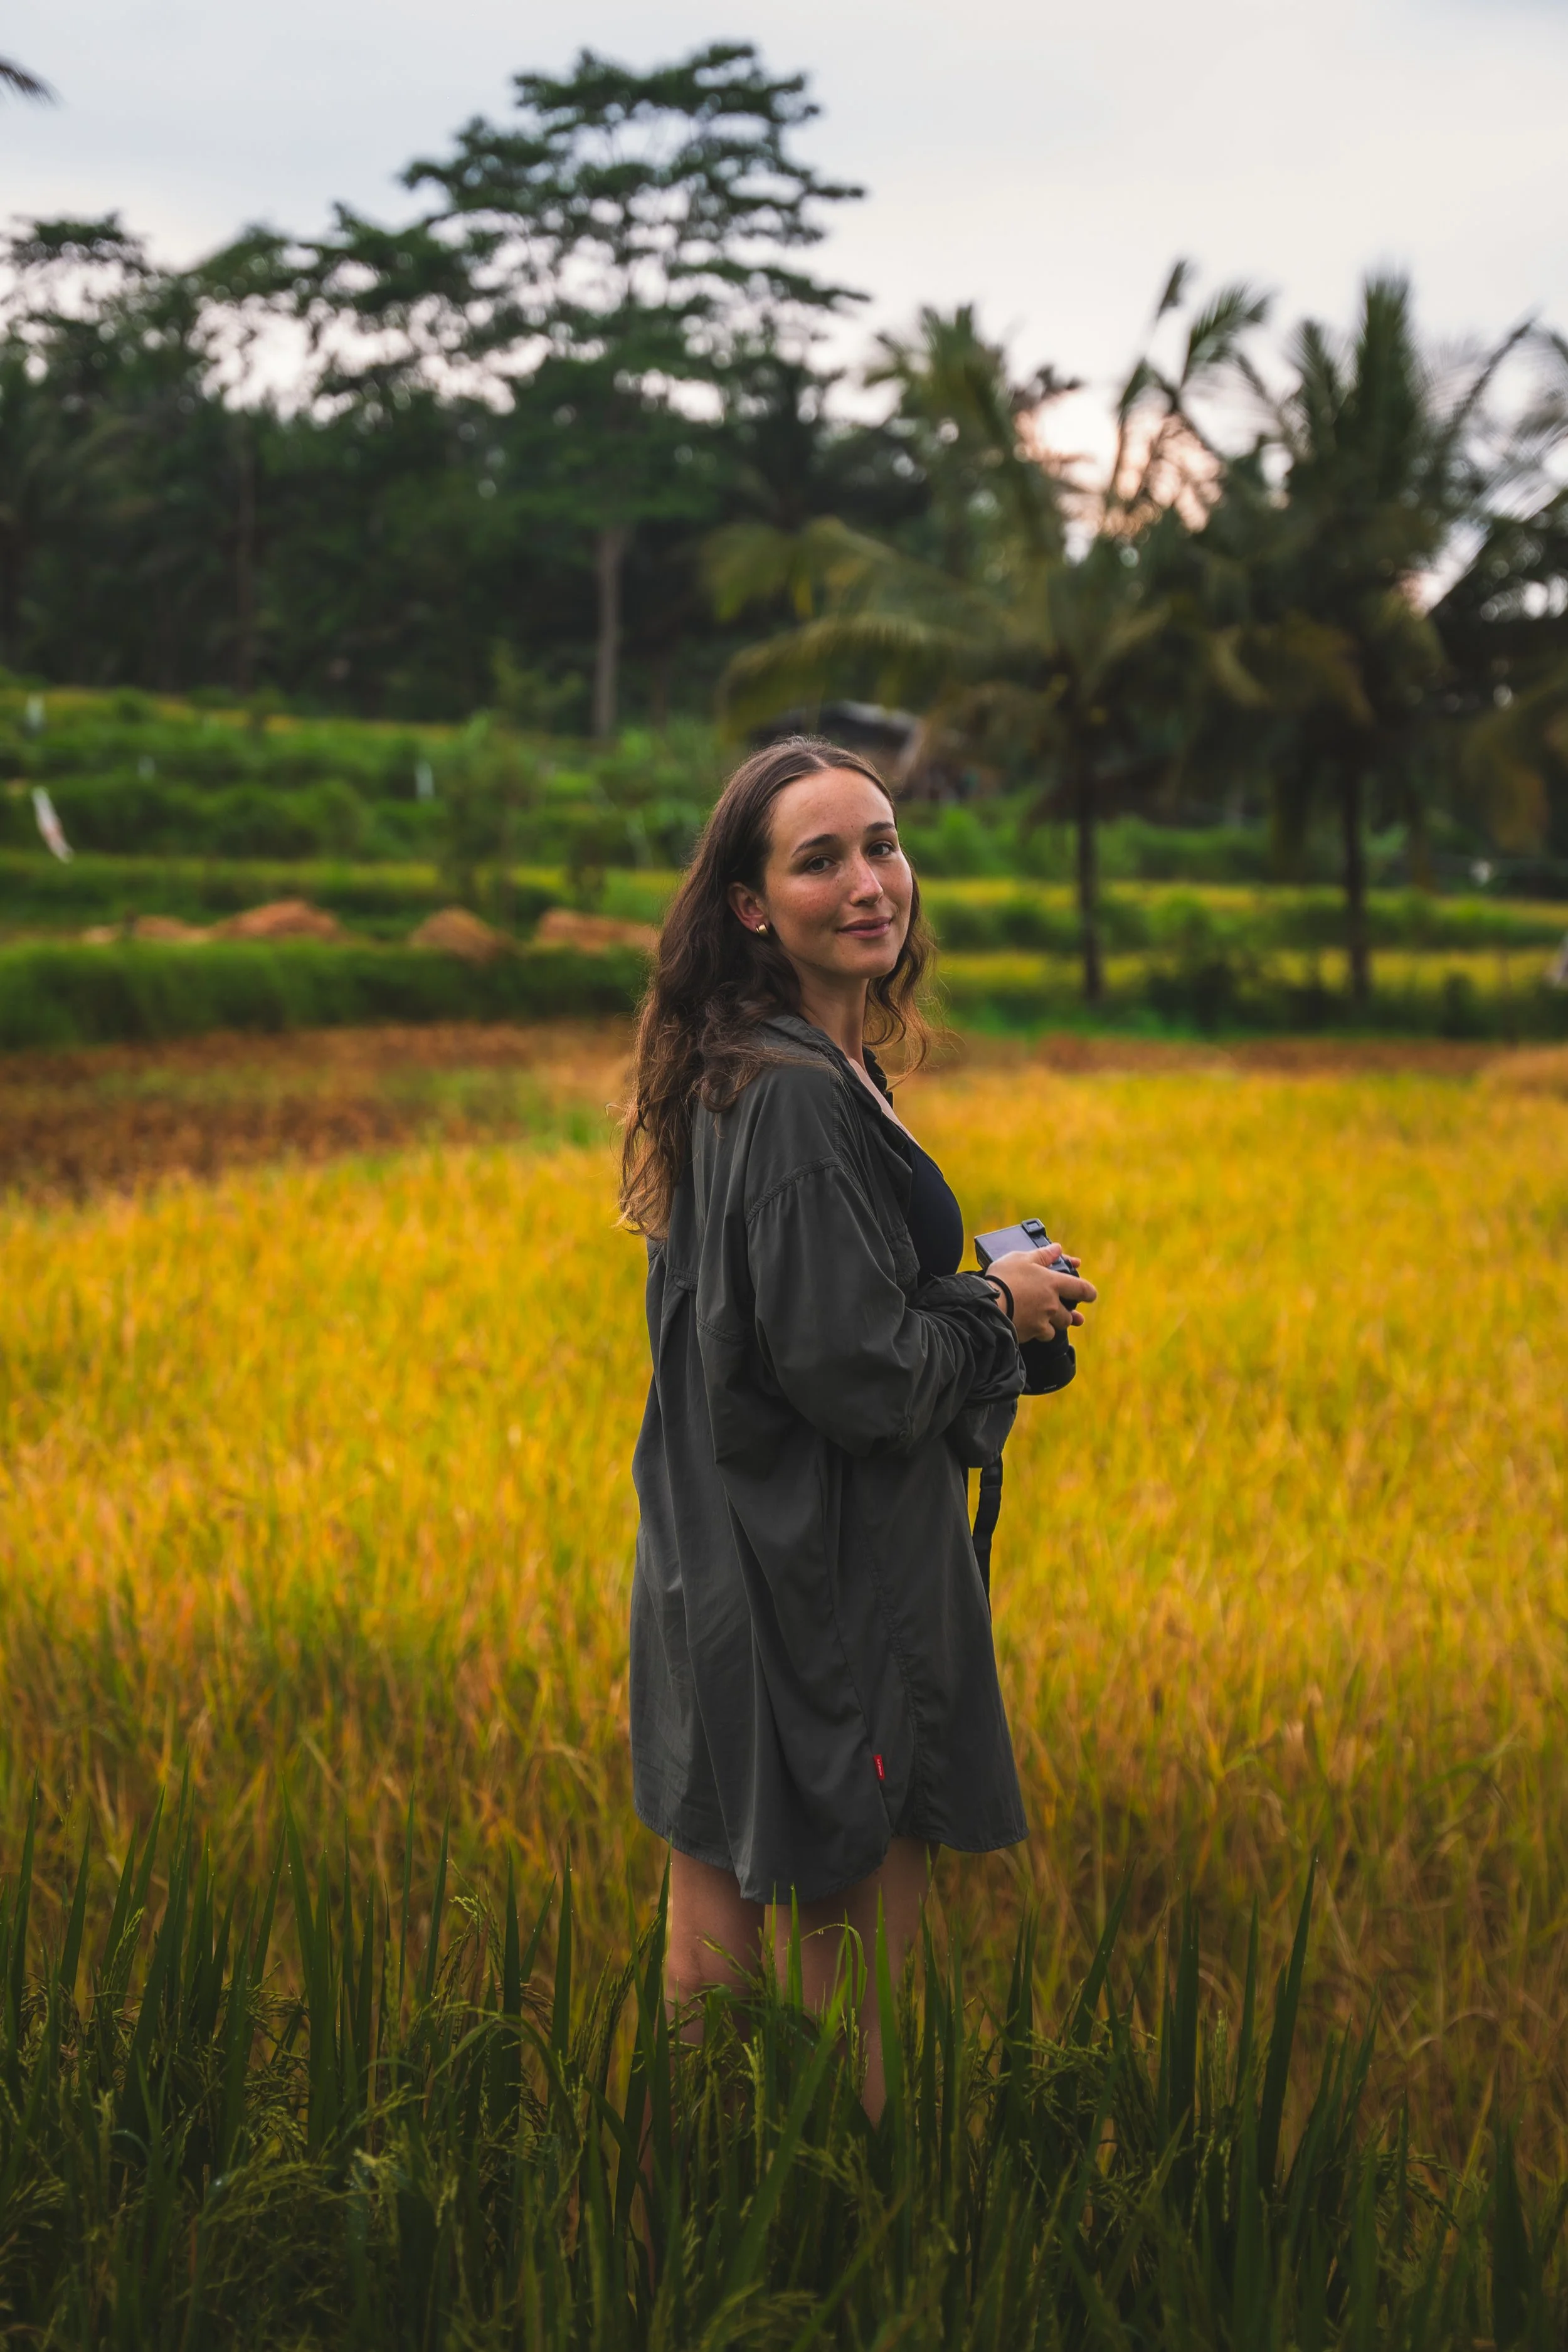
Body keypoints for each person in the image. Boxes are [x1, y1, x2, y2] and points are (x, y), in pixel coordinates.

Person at [619, 737, 1096, 2116]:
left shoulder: (753, 1070)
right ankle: (846, 2219)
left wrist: (953, 1294)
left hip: (721, 1562)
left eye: (880, 844)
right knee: (852, 1984)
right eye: (818, 859)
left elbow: (799, 1325)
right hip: (827, 1583)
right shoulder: (796, 1100)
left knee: (710, 1947)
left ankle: (682, 2203)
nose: (867, 882)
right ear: (752, 905)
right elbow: (858, 1377)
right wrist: (996, 1307)